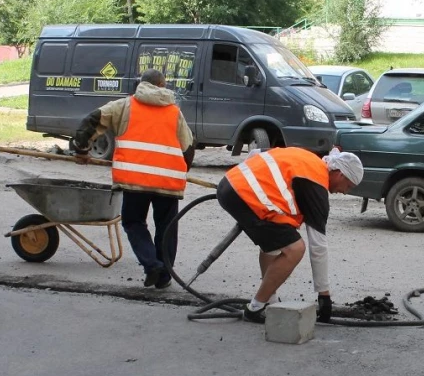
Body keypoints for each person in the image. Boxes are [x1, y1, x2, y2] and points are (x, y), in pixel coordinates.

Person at [72, 69, 194, 289]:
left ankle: (151, 265)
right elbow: (187, 147)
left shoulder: (124, 106)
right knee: (167, 227)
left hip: (134, 180)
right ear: (162, 85)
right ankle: (164, 276)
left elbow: (92, 120)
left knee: (133, 222)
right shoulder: (175, 112)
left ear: (141, 84)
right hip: (167, 182)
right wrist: (182, 171)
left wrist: (82, 149)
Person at [216, 146, 363, 323]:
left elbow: (257, 152)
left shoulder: (310, 160)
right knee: (295, 249)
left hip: (230, 184)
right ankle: (254, 308)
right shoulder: (316, 184)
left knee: (277, 242)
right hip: (244, 195)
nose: (345, 192)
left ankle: (268, 301)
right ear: (340, 174)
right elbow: (318, 247)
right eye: (348, 186)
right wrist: (324, 295)